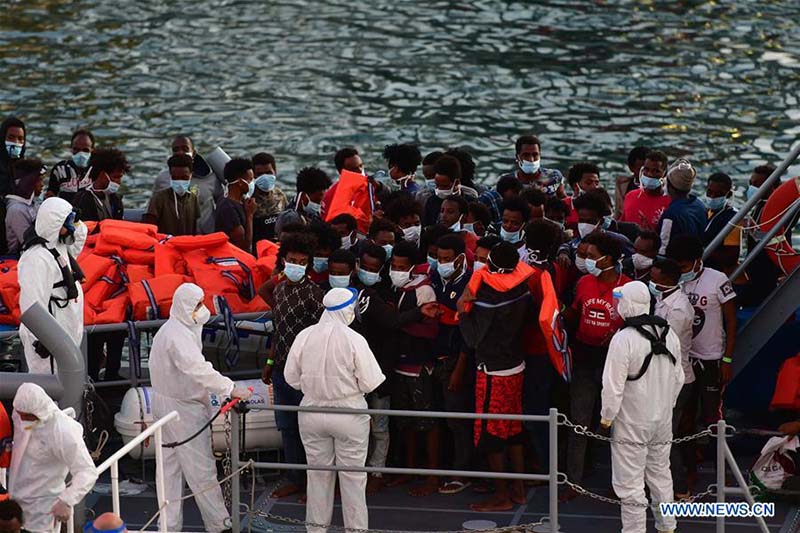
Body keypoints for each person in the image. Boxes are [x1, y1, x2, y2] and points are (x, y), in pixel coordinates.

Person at [150, 283, 252, 532]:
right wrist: (229, 388)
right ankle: (219, 525)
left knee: (168, 473)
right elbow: (197, 368)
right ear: (185, 307)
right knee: (201, 470)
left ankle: (168, 527)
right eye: (197, 305)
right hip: (183, 411)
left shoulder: (172, 330)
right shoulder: (178, 336)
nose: (202, 309)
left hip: (165, 407)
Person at [285, 287, 385, 533]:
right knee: (353, 480)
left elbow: (290, 377)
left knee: (317, 477)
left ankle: (316, 530)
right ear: (349, 309)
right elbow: (371, 381)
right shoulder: (354, 339)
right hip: (349, 412)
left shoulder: (304, 335)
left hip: (311, 411)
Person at [600, 281, 684, 533]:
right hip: (662, 421)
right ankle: (667, 526)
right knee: (661, 475)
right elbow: (679, 378)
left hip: (631, 423)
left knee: (630, 483)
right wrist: (666, 406)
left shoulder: (623, 338)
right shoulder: (670, 334)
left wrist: (606, 419)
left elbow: (612, 385)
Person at [458, 241, 533, 511]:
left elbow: (474, 338)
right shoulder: (523, 288)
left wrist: (462, 309)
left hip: (493, 371)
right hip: (517, 366)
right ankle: (519, 489)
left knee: (491, 435)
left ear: (490, 265)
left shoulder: (488, 296)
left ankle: (501, 496)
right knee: (514, 430)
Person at [562, 232, 632, 501]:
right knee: (579, 422)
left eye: (591, 256)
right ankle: (574, 483)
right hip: (584, 357)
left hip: (615, 362)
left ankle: (620, 484)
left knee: (618, 425)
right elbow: (576, 313)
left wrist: (619, 337)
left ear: (609, 259)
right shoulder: (583, 283)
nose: (586, 260)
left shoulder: (629, 289)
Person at [262, 234, 325, 499]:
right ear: (283, 262)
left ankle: (314, 483)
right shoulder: (279, 290)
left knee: (310, 431)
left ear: (309, 265)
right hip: (280, 370)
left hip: (306, 374)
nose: (296, 265)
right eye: (291, 261)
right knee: (287, 428)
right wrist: (269, 362)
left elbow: (321, 336)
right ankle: (295, 477)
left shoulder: (315, 295)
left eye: (302, 262)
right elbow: (278, 330)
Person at [666, 235, 736, 440]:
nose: (682, 271)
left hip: (711, 358)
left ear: (698, 260)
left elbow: (731, 321)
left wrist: (727, 359)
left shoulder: (717, 279)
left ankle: (719, 465)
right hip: (683, 358)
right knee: (684, 415)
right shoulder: (672, 279)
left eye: (685, 266)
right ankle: (689, 468)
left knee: (712, 416)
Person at [386, 241, 439, 495]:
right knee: (404, 423)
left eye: (401, 266)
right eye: (393, 265)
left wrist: (397, 323)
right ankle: (408, 470)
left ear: (412, 267)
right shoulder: (397, 289)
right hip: (399, 365)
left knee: (427, 423)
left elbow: (431, 330)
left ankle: (431, 476)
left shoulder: (423, 290)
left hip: (419, 366)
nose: (396, 270)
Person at [8, 383, 98, 532]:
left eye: (27, 416)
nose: (23, 420)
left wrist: (67, 500)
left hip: (43, 507)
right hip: (15, 500)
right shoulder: (20, 414)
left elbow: (87, 471)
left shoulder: (63, 430)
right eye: (20, 414)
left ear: (38, 412)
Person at [18, 198, 86, 374]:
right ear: (56, 224)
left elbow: (78, 239)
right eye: (68, 221)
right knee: (50, 392)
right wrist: (43, 340)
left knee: (68, 388)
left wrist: (76, 220)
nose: (72, 226)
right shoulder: (37, 258)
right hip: (49, 347)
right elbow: (32, 306)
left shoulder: (59, 248)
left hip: (66, 336)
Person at [430, 235, 473, 495]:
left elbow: (469, 332)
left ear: (460, 259)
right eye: (439, 259)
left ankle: (462, 472)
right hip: (436, 358)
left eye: (447, 260)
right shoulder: (436, 278)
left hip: (457, 361)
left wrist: (460, 368)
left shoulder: (469, 283)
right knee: (441, 419)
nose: (442, 263)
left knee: (458, 421)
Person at [650, 258, 696, 499]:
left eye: (654, 278)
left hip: (676, 381)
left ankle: (679, 487)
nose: (651, 281)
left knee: (665, 435)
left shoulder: (678, 309)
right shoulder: (663, 299)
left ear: (667, 280)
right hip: (663, 379)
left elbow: (665, 345)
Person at [151, 135, 223, 234]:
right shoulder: (163, 178)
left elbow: (222, 205)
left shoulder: (211, 177)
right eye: (176, 150)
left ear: (194, 153)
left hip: (206, 238)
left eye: (185, 149)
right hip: (173, 239)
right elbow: (153, 211)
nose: (180, 152)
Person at [657, 158, 706, 255]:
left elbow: (662, 250)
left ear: (670, 187)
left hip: (676, 264)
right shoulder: (699, 205)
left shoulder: (671, 215)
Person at [142, 154, 200, 235]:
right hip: (165, 245)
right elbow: (148, 229)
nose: (180, 182)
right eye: (175, 178)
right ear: (170, 176)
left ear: (191, 175)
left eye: (184, 178)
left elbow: (195, 228)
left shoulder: (193, 198)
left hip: (188, 244)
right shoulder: (159, 198)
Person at [498, 134, 565, 198]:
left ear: (540, 155)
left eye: (535, 154)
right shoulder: (506, 182)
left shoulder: (554, 176)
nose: (531, 159)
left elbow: (563, 199)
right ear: (517, 157)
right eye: (526, 155)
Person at [620, 150, 671, 232]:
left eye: (656, 171)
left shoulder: (670, 202)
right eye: (646, 169)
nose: (650, 174)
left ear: (664, 174)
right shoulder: (630, 196)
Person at [71, 148, 128, 222]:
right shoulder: (82, 201)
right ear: (102, 174)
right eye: (116, 177)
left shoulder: (115, 199)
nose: (119, 181)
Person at [276, 167, 332, 238]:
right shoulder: (290, 218)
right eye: (317, 201)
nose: (320, 205)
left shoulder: (314, 214)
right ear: (303, 196)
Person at [703, 172, 741, 276]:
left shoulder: (733, 219)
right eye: (709, 192)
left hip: (716, 273)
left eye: (718, 194)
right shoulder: (706, 212)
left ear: (728, 195)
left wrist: (702, 250)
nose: (712, 197)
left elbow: (731, 257)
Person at [422, 154, 477, 226]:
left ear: (456, 182)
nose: (440, 190)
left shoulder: (471, 203)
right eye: (437, 186)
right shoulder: (431, 202)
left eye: (444, 186)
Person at [215, 157, 256, 252]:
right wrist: (250, 215)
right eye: (250, 180)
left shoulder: (242, 202)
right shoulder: (228, 207)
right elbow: (244, 245)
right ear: (240, 182)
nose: (252, 183)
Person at [5, 159, 44, 255]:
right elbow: (29, 243)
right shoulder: (16, 210)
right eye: (39, 180)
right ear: (28, 182)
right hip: (19, 258)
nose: (42, 185)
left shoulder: (31, 203)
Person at [46, 128, 94, 203]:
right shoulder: (59, 170)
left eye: (85, 150)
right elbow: (50, 196)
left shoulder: (97, 170)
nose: (80, 154)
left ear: (92, 150)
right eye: (76, 149)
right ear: (71, 149)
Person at [252, 152, 288, 243]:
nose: (265, 177)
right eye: (260, 174)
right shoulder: (249, 199)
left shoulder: (280, 195)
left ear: (275, 172)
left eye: (268, 173)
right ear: (253, 175)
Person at [614, 146, 649, 220]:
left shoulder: (659, 188)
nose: (646, 174)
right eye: (640, 170)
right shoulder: (622, 186)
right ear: (631, 168)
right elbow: (618, 212)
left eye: (648, 169)